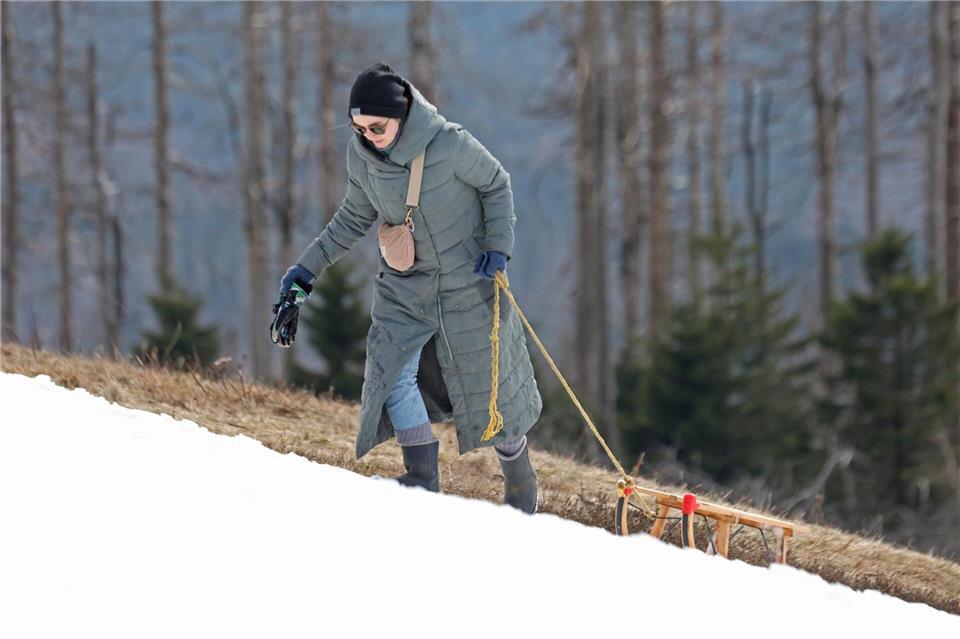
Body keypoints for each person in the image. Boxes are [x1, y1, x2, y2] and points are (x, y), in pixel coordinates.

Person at [272, 62, 542, 514]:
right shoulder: (362, 155)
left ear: (402, 116)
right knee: (391, 369)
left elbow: (497, 184)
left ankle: (520, 480)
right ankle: (421, 477)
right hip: (406, 285)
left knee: (491, 391)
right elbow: (353, 217)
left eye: (376, 127)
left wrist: (499, 246)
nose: (366, 137)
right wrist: (303, 273)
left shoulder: (449, 144)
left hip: (467, 282)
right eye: (358, 129)